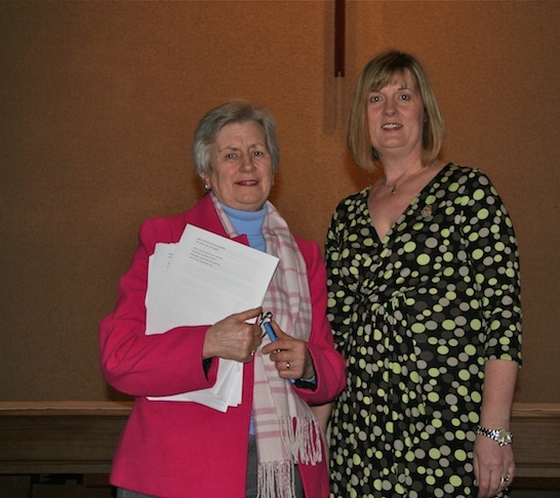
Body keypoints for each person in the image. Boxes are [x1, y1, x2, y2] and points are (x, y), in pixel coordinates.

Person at [99, 100, 346, 498]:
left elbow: (332, 373)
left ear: (272, 167)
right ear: (206, 175)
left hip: (282, 470)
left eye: (257, 153)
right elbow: (119, 359)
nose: (247, 165)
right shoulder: (167, 241)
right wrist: (206, 344)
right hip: (180, 471)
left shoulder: (305, 256)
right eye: (230, 155)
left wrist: (308, 364)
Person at [323, 50, 522, 498]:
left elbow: (503, 320)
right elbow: (331, 335)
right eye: (376, 99)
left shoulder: (470, 193)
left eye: (403, 96)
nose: (390, 110)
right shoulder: (346, 216)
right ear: (363, 118)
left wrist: (494, 431)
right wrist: (317, 437)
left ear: (425, 113)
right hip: (359, 436)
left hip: (448, 431)